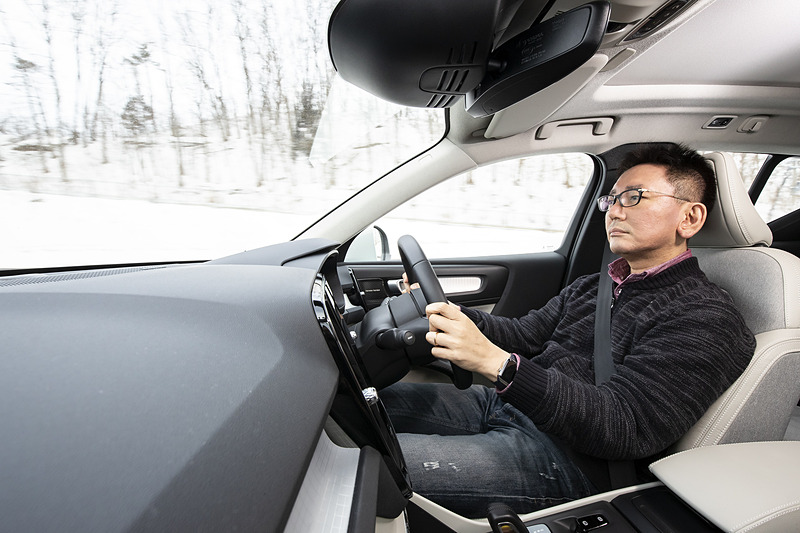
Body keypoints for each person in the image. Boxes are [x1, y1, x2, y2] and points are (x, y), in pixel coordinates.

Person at [381, 144, 755, 518]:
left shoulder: (704, 316)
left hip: (570, 461)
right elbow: (522, 335)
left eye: (634, 197)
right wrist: (451, 313)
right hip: (512, 409)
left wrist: (500, 366)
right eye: (612, 199)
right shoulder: (594, 286)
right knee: (367, 410)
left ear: (689, 217)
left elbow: (626, 425)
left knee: (377, 467)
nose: (614, 211)